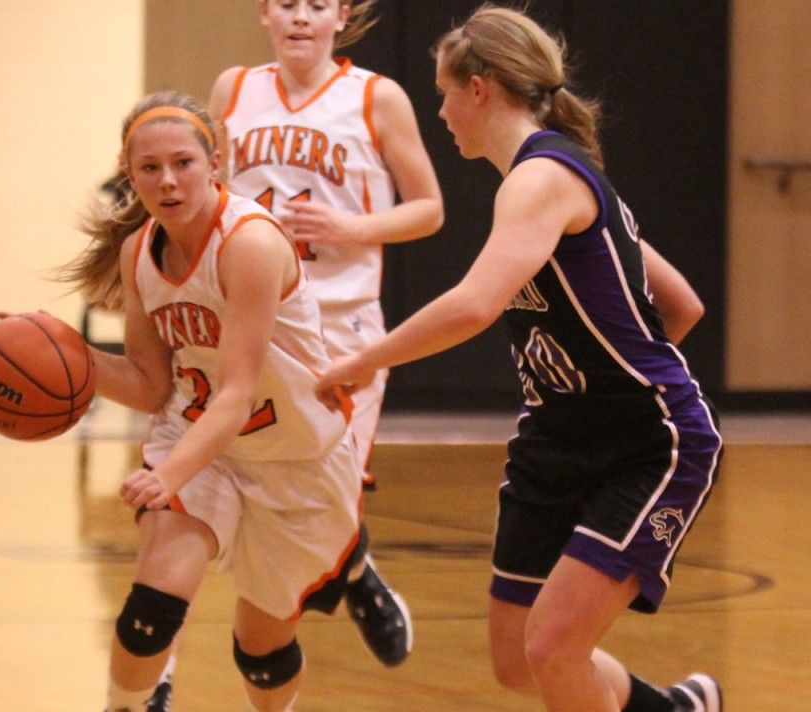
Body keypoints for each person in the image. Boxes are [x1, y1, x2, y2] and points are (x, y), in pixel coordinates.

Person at [316, 6, 723, 712]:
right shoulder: (559, 180)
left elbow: (474, 305)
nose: (440, 110)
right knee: (517, 660)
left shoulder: (541, 179)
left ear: (480, 88)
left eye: (444, 92)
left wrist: (363, 359)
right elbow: (680, 304)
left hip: (644, 445)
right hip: (556, 440)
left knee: (553, 649)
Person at [45, 90, 369, 712]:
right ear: (128, 172)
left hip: (294, 455)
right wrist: (68, 355)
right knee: (151, 611)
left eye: (183, 163)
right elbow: (151, 386)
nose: (167, 181)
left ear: (214, 162)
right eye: (149, 168)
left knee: (262, 654)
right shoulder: (138, 251)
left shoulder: (248, 242)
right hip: (201, 442)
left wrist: (167, 474)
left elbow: (238, 391)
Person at [209, 0, 444, 494]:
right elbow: (211, 196)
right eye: (287, 4)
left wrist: (350, 228)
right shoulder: (233, 88)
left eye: (317, 6)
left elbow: (429, 209)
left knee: (335, 485)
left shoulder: (378, 97)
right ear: (264, 12)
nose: (300, 17)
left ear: (341, 16)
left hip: (341, 318)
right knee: (258, 481)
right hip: (255, 316)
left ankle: (348, 569)